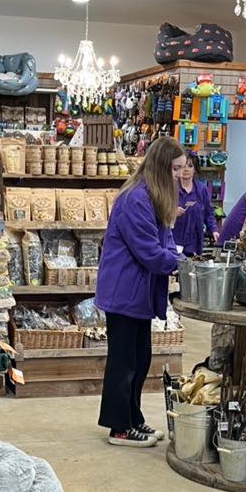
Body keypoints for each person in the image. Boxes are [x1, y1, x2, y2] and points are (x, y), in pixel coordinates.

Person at [95, 138, 184, 446]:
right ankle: (119, 427)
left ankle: (133, 418)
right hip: (125, 291)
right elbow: (148, 250)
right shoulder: (136, 199)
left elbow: (166, 240)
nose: (180, 175)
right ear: (161, 167)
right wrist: (179, 262)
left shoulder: (153, 198)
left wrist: (175, 256)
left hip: (139, 293)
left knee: (140, 358)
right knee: (124, 361)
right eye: (175, 169)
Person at [171, 149, 216, 255]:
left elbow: (209, 213)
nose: (186, 169)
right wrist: (172, 212)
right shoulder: (170, 188)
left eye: (190, 166)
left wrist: (214, 230)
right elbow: (159, 212)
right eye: (182, 166)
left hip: (194, 243)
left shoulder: (201, 190)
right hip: (173, 242)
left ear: (195, 169)